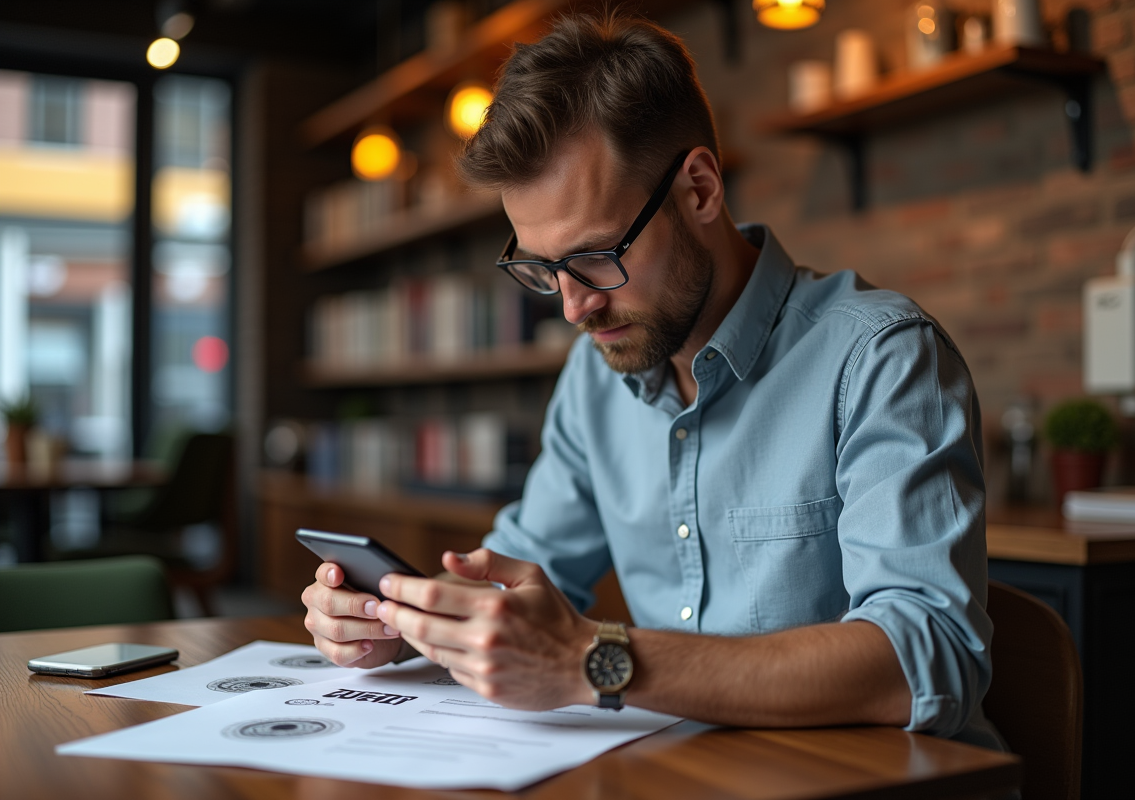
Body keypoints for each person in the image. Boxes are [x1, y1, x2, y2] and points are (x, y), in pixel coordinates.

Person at [301, 12, 1002, 749]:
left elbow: (929, 659)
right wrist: (396, 622)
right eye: (544, 269)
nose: (573, 307)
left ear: (699, 189)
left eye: (596, 257)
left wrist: (597, 661)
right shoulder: (594, 376)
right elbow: (518, 578)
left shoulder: (881, 358)